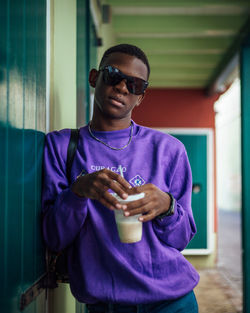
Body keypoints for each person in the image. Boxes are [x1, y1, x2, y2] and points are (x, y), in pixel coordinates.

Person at [42, 44, 199, 313]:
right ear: (94, 77)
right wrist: (77, 192)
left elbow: (181, 239)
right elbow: (53, 237)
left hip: (173, 302)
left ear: (141, 97)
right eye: (114, 75)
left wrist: (167, 206)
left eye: (135, 85)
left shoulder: (169, 150)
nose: (123, 88)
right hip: (105, 305)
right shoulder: (61, 146)